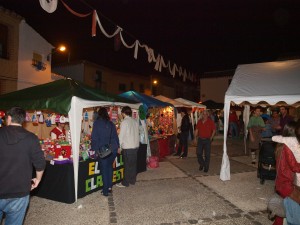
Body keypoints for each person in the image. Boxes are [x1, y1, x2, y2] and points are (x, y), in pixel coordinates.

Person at [0, 107, 46, 225]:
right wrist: (38, 179)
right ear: (22, 121)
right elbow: (40, 163)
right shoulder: (31, 138)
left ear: (9, 118)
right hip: (19, 191)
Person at [271, 121, 300, 225]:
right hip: (288, 185)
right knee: (294, 218)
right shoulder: (288, 147)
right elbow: (295, 167)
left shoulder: (281, 146)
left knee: (283, 213)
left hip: (282, 183)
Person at [91, 107, 119, 196]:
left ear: (99, 114)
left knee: (104, 170)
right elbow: (116, 137)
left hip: (103, 151)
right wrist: (116, 147)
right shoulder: (111, 124)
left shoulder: (97, 123)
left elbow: (94, 138)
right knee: (109, 167)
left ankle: (105, 190)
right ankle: (110, 187)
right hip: (113, 150)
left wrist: (95, 150)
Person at [117, 106, 139, 187]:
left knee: (127, 165)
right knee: (133, 165)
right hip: (135, 146)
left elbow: (121, 136)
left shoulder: (124, 122)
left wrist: (119, 146)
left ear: (123, 113)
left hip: (128, 147)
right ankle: (132, 180)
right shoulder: (134, 121)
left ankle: (125, 182)